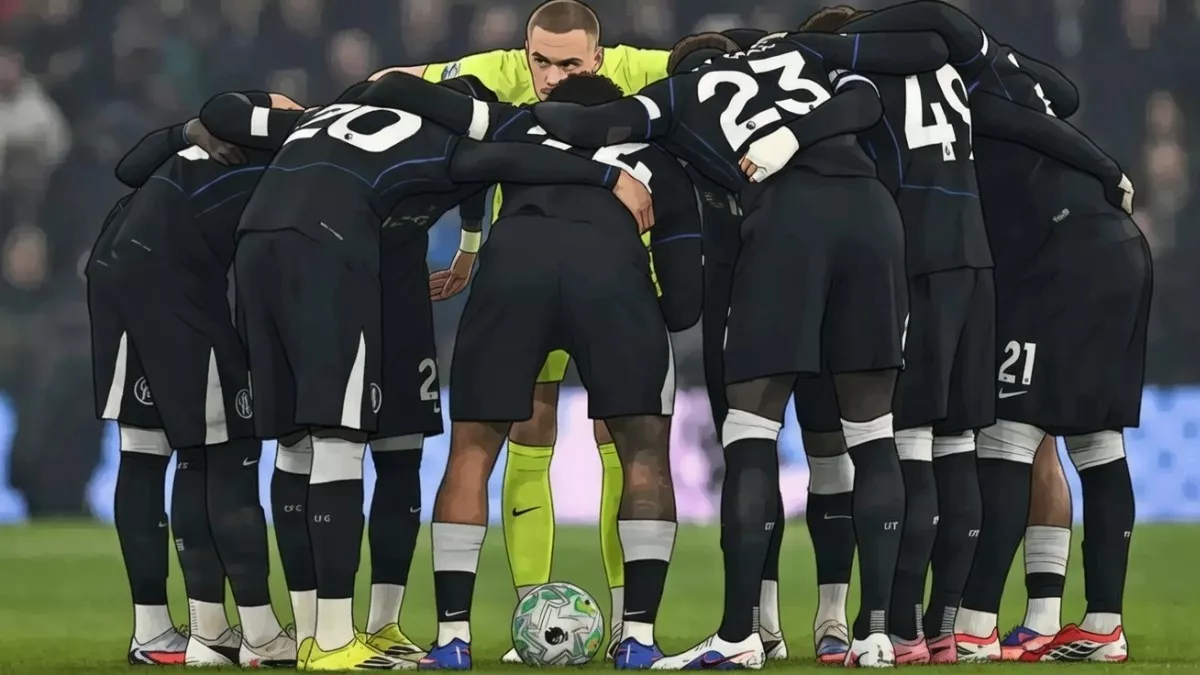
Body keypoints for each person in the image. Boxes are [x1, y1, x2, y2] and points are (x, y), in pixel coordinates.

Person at [535, 29, 950, 668]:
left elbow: (583, 123)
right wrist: (798, 135)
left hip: (785, 228)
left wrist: (539, 120)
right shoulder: (794, 55)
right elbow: (867, 99)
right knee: (872, 436)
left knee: (751, 434)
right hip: (872, 219)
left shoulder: (675, 95)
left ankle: (739, 635)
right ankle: (876, 634)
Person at [205, 81, 650, 671]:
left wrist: (218, 123)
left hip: (256, 249)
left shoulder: (322, 120)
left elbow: (221, 112)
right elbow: (513, 158)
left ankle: (312, 632)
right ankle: (334, 642)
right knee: (338, 441)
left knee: (294, 445)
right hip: (330, 253)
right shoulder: (438, 143)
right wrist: (610, 176)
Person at [358, 71, 700, 670]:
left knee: (471, 454)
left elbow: (406, 96)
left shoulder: (521, 126)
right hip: (611, 279)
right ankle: (638, 639)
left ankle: (452, 639)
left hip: (513, 272)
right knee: (644, 455)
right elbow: (686, 304)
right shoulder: (660, 160)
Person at [843, 1, 1145, 663]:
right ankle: (1099, 623)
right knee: (1097, 442)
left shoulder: (961, 99)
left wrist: (1106, 167)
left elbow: (1022, 117)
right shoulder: (1007, 85)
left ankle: (976, 622)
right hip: (1116, 247)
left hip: (1059, 256)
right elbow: (1063, 98)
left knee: (1010, 435)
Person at [800, 4, 996, 664]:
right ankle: (945, 627)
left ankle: (901, 625)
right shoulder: (947, 68)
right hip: (975, 258)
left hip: (918, 259)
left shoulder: (862, 78)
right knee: (958, 444)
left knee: (908, 443)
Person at [86, 111, 292, 667]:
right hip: (172, 284)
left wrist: (189, 130)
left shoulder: (206, 147)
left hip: (113, 267)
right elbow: (262, 276)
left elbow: (128, 168)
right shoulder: (287, 169)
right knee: (223, 450)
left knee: (146, 450)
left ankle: (161, 632)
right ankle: (255, 635)